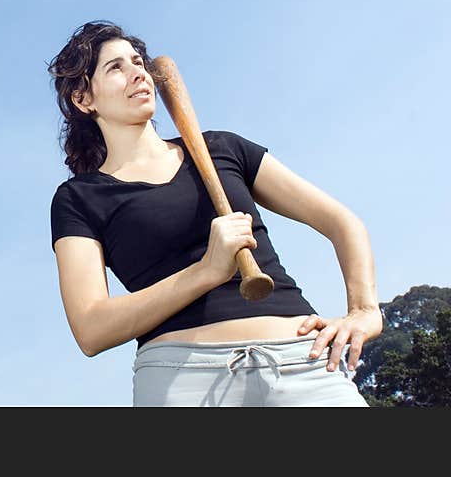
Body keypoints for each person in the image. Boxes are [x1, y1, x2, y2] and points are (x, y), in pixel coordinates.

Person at [47, 20, 382, 407]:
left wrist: (364, 310)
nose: (137, 72)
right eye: (115, 67)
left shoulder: (223, 149)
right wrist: (207, 269)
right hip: (180, 380)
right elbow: (91, 328)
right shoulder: (80, 198)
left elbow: (342, 223)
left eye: (137, 61)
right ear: (83, 98)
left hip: (301, 361)